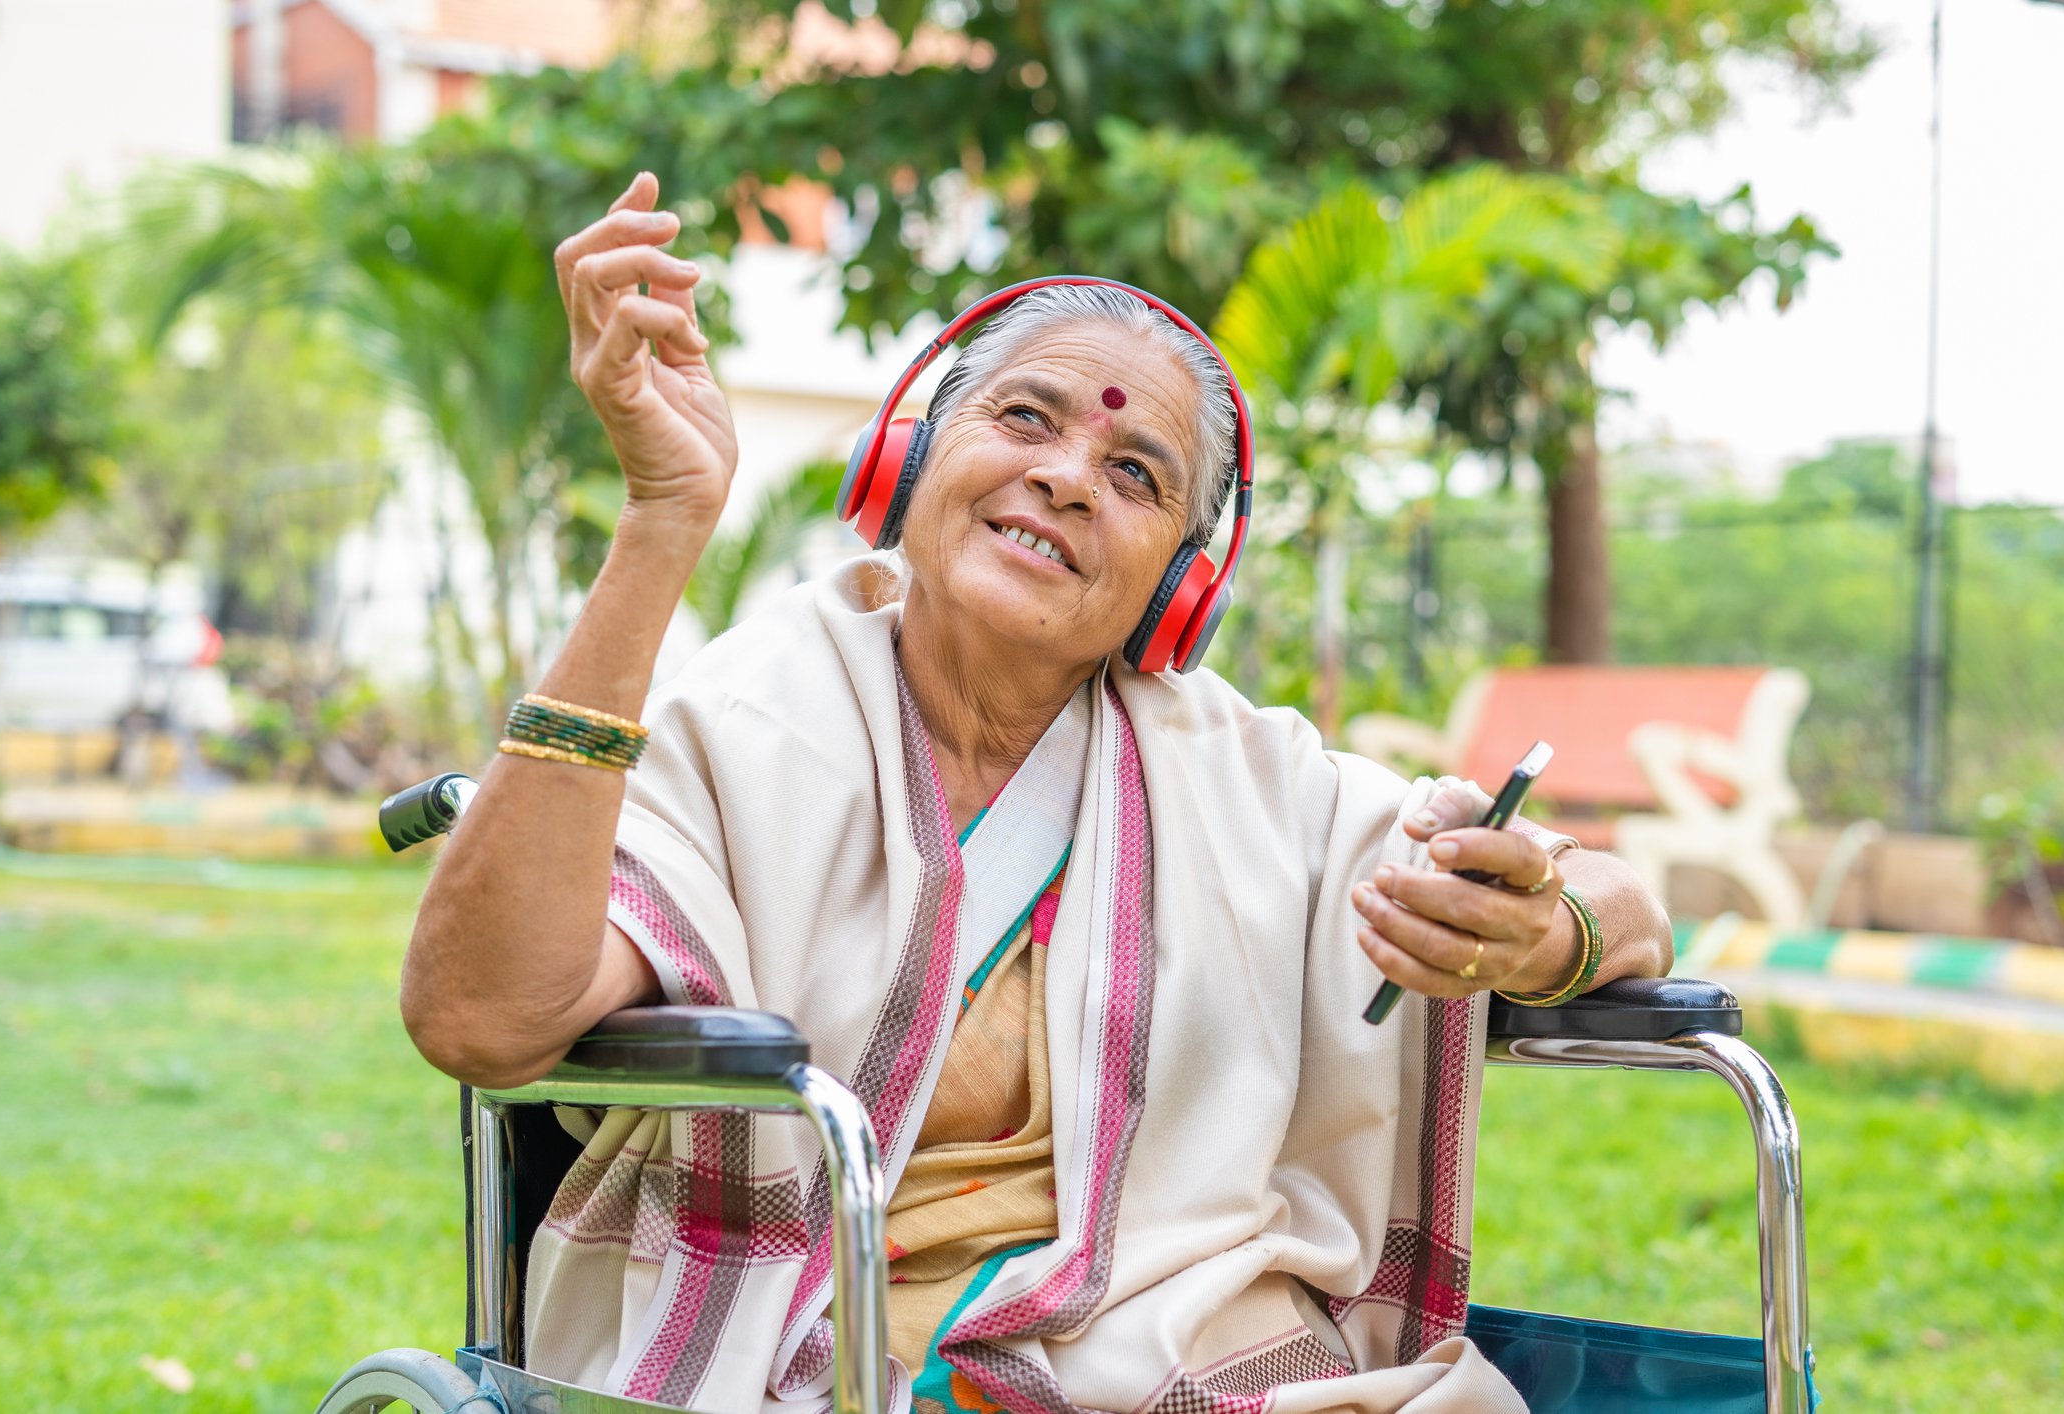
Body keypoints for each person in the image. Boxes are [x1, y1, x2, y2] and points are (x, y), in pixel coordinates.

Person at [399, 172, 1675, 1414]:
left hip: (1175, 1356)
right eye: (1025, 417)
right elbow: (480, 1019)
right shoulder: (749, 725)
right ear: (906, 462)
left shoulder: (1246, 778)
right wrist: (663, 517)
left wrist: (1544, 927)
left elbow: (1630, 908)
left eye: (1136, 473)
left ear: (1177, 586)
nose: (1069, 474)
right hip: (805, 1348)